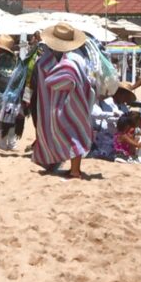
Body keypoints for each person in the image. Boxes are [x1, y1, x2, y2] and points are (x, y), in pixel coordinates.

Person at [32, 23, 95, 179]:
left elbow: (60, 79)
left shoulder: (69, 60)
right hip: (58, 103)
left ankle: (74, 170)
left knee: (74, 132)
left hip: (71, 100)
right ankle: (61, 164)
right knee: (71, 131)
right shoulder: (66, 58)